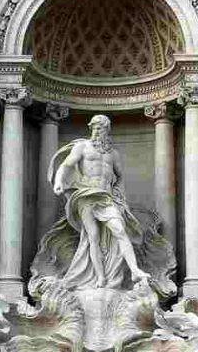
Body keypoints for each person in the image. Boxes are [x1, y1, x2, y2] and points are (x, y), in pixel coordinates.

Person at [39, 115, 151, 289]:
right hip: (86, 196)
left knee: (120, 230)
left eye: (102, 128)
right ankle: (100, 277)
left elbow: (119, 176)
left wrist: (120, 196)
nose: (98, 131)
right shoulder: (82, 147)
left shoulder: (113, 154)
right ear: (91, 128)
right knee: (93, 237)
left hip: (106, 197)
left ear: (107, 130)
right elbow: (66, 165)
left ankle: (135, 270)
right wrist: (59, 181)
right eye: (95, 127)